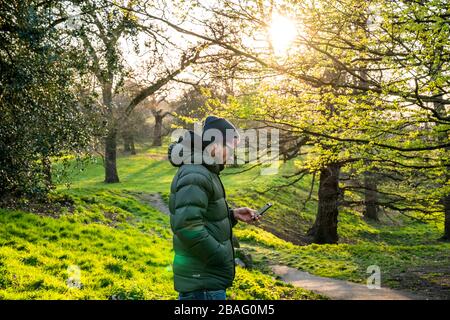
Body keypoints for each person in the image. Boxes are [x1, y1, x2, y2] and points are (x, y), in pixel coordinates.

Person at [168, 116, 260, 300]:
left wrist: (232, 215)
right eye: (231, 148)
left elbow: (201, 215)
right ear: (216, 145)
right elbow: (187, 226)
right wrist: (219, 254)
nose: (232, 155)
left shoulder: (205, 170)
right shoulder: (196, 173)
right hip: (203, 285)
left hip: (206, 282)